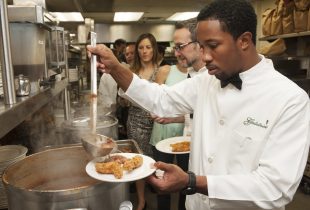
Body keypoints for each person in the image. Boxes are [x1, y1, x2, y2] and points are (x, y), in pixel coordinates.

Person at [87, 1, 310, 210]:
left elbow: (275, 188)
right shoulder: (207, 80)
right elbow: (161, 99)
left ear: (244, 40)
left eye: (212, 46)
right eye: (201, 47)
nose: (205, 56)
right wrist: (115, 68)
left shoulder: (290, 100)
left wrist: (193, 181)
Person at [126, 33, 169, 210]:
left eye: (148, 47)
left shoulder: (162, 70)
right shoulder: (132, 71)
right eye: (141, 48)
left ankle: (160, 193)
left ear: (154, 48)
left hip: (158, 123)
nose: (144, 51)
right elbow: (124, 98)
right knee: (139, 161)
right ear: (137, 50)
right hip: (136, 122)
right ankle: (142, 200)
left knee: (158, 161)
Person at [150, 61, 188, 210]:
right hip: (162, 134)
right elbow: (155, 100)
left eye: (182, 46)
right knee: (162, 179)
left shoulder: (200, 75)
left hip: (186, 136)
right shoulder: (165, 70)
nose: (179, 53)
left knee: (187, 180)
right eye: (177, 47)